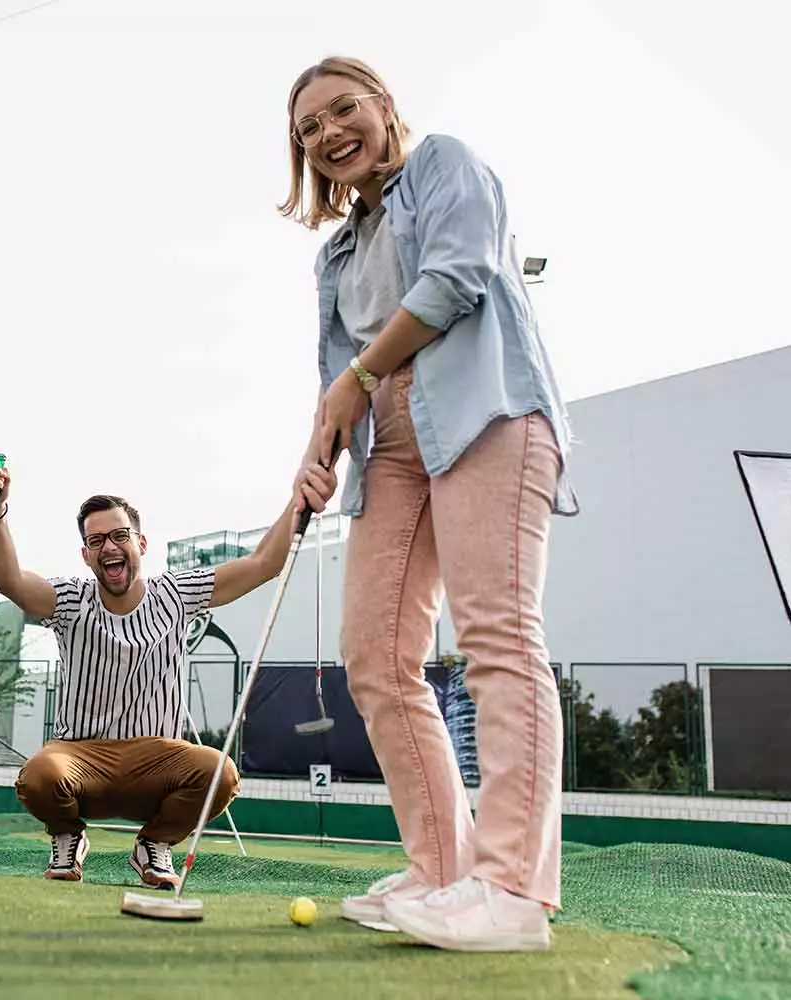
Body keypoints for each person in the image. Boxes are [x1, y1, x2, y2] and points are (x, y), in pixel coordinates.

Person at [281, 56, 578, 951]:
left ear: (383, 105)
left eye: (344, 110)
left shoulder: (445, 164)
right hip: (395, 450)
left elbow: (458, 278)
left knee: (496, 633)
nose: (330, 134)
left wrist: (358, 381)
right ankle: (444, 873)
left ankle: (513, 891)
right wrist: (318, 447)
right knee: (374, 652)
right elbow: (340, 377)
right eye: (309, 130)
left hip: (487, 413)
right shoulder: (335, 250)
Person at [0, 464, 309, 889]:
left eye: (119, 535)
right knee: (39, 777)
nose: (109, 546)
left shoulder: (176, 594)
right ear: (86, 554)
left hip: (157, 758)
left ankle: (154, 844)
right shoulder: (71, 598)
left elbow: (262, 565)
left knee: (219, 772)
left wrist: (300, 498)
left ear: (140, 543)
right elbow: (12, 582)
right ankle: (68, 836)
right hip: (80, 757)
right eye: (96, 541)